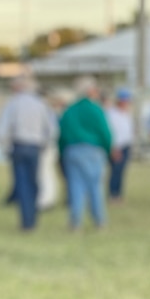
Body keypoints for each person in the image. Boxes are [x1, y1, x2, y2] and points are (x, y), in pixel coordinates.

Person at [0, 75, 54, 231]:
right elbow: (51, 128)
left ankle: (26, 220)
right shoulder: (41, 104)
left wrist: (6, 148)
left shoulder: (13, 104)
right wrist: (46, 144)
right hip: (35, 147)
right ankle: (32, 218)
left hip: (19, 146)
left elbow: (3, 129)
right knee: (33, 181)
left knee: (22, 183)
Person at [58, 76, 113, 230]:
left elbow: (61, 134)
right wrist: (108, 150)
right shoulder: (96, 109)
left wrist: (62, 152)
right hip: (94, 150)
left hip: (72, 151)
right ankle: (99, 221)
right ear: (90, 90)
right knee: (95, 187)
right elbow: (105, 133)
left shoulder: (69, 110)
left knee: (75, 186)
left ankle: (76, 222)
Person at [105, 87, 134, 203]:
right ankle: (113, 195)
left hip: (126, 145)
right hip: (117, 147)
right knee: (115, 171)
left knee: (121, 171)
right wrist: (113, 147)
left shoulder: (126, 113)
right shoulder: (111, 114)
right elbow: (110, 132)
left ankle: (118, 194)